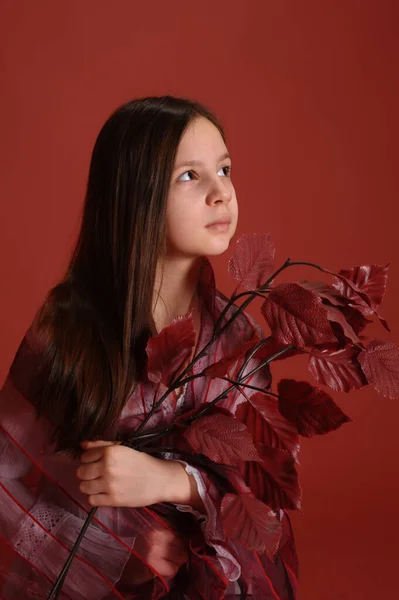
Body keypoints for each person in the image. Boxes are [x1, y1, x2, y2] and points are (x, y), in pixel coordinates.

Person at [0, 96, 298, 599]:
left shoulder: (238, 339)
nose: (221, 192)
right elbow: (13, 468)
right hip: (85, 576)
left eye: (224, 169)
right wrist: (109, 520)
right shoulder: (68, 324)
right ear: (133, 194)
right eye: (190, 176)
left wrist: (169, 481)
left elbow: (270, 489)